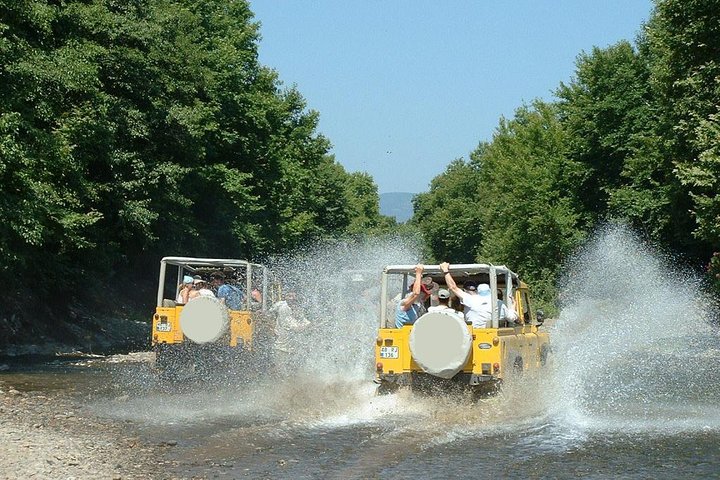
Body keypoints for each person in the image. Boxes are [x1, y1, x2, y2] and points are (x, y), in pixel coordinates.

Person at [440, 262, 492, 328]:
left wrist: (445, 271)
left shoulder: (470, 299)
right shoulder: (492, 300)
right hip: (489, 330)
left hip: (474, 331)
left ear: (464, 290)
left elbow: (453, 287)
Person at [270, 291, 309, 361]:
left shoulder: (297, 309)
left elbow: (304, 321)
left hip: (292, 344)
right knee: (281, 367)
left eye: (293, 296)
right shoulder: (281, 306)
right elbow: (269, 314)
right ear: (285, 297)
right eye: (289, 296)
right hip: (281, 343)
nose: (291, 298)